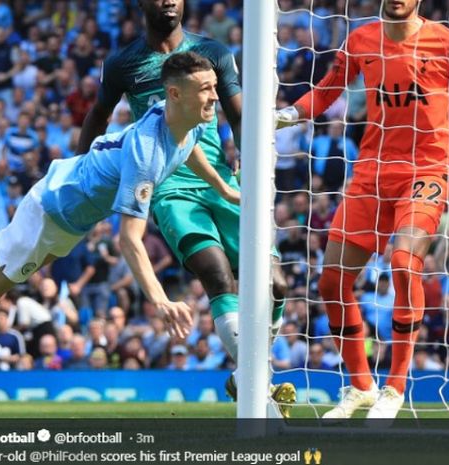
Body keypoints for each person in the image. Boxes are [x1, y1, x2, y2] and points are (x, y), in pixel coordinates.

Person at [276, 0, 449, 420]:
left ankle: (394, 388)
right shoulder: (361, 40)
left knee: (403, 260)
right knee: (330, 283)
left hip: (426, 169)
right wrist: (289, 113)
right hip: (371, 172)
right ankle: (361, 386)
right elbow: (327, 90)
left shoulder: (448, 41)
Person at [0, 51, 238, 342]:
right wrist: (160, 300)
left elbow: (190, 149)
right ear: (175, 93)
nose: (214, 95)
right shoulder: (147, 154)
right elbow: (129, 241)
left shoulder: (188, 118)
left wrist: (223, 188)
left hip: (72, 212)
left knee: (3, 253)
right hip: (53, 210)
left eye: (213, 86)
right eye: (205, 88)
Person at [77, 0, 294, 415]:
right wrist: (78, 173)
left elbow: (240, 116)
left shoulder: (211, 53)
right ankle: (260, 394)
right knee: (217, 275)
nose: (169, 1)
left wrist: (251, 163)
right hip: (170, 186)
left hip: (222, 181)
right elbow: (97, 118)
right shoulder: (123, 63)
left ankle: (250, 377)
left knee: (276, 285)